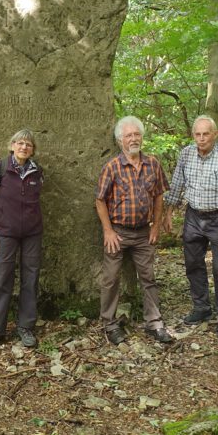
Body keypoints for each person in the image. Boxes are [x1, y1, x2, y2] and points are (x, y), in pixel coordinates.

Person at [163, 115, 218, 338]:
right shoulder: (186, 154)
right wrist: (169, 213)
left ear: (215, 135)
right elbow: (177, 186)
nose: (201, 139)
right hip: (193, 216)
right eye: (197, 134)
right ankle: (201, 307)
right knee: (192, 263)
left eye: (205, 134)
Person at [95, 116, 174, 345]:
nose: (133, 139)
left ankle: (155, 323)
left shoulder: (153, 164)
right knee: (110, 279)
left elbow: (159, 195)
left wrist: (156, 226)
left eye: (136, 134)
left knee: (148, 277)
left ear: (142, 137)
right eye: (128, 135)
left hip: (143, 233)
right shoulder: (112, 167)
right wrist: (108, 231)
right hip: (118, 233)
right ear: (120, 140)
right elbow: (100, 200)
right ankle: (109, 324)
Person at [0, 130, 44, 353]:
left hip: (32, 233)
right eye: (20, 143)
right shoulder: (0, 168)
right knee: (0, 279)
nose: (24, 147)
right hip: (4, 233)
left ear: (32, 149)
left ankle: (25, 327)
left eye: (29, 145)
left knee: (30, 278)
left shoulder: (37, 172)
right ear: (12, 145)